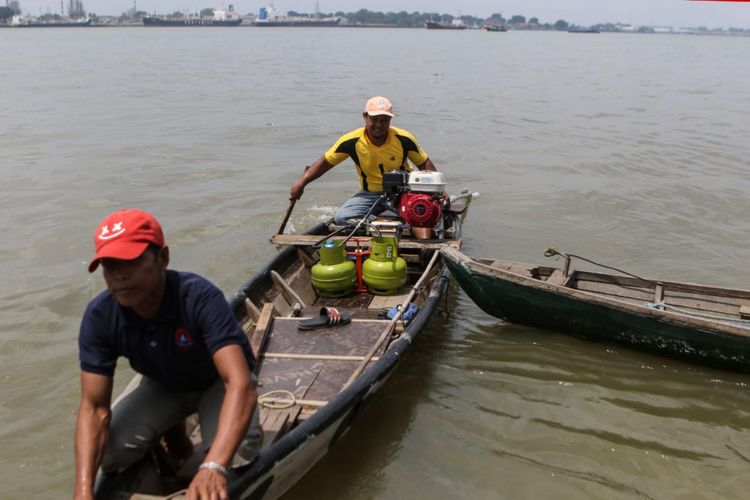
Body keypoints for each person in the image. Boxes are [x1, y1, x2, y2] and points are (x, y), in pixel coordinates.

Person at [74, 209, 260, 500]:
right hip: (162, 384)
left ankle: (192, 445)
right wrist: (83, 491)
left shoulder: (198, 297)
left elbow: (240, 383)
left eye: (132, 261)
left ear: (163, 258)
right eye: (110, 266)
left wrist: (213, 466)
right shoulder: (100, 316)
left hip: (217, 384)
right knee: (111, 453)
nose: (120, 276)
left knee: (235, 458)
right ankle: (170, 439)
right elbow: (94, 409)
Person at [289, 96, 439, 225]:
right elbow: (324, 163)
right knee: (342, 217)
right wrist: (302, 182)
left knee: (422, 217)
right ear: (365, 117)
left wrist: (438, 191)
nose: (379, 125)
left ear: (390, 120)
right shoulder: (351, 141)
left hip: (403, 193)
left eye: (384, 120)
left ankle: (395, 219)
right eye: (374, 119)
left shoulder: (403, 139)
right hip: (370, 194)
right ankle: (381, 222)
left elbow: (424, 163)